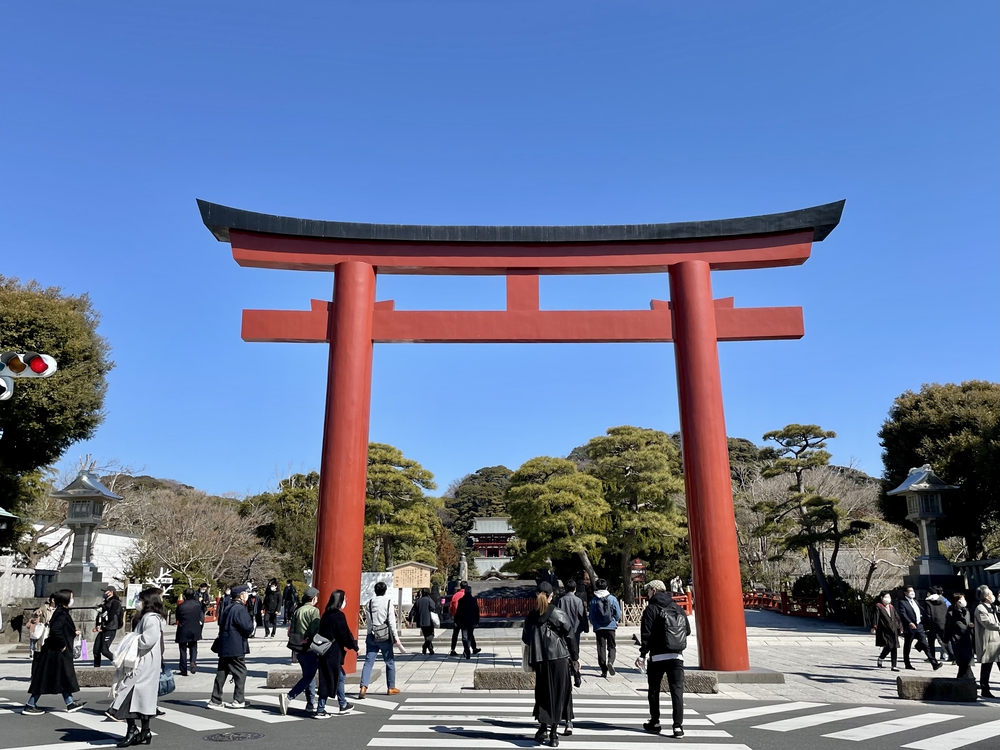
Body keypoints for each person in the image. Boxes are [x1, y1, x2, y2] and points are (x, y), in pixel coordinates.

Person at [107, 588, 166, 747]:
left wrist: (131, 638)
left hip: (143, 662)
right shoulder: (152, 617)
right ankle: (144, 731)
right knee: (143, 698)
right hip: (147, 662)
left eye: (141, 599)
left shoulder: (150, 618)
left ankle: (132, 730)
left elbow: (147, 640)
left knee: (128, 693)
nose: (138, 602)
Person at [522, 581, 577, 747]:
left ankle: (542, 728)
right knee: (559, 694)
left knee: (543, 694)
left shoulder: (531, 617)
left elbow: (526, 638)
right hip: (559, 658)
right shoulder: (557, 613)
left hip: (540, 660)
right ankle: (554, 733)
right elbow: (570, 635)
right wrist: (575, 658)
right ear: (551, 596)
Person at [637, 580, 689, 738]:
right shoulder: (677, 607)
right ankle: (678, 727)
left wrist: (642, 654)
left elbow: (646, 634)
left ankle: (655, 722)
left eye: (648, 591)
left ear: (654, 590)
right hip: (676, 656)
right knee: (677, 691)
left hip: (657, 656)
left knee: (654, 690)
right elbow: (687, 630)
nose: (647, 594)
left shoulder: (651, 609)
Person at [23, 589, 86, 715]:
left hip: (56, 651)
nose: (72, 599)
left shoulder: (61, 611)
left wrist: (72, 633)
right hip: (57, 652)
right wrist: (62, 645)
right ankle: (30, 705)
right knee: (46, 677)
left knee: (62, 677)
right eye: (71, 597)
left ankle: (70, 703)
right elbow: (56, 630)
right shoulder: (61, 613)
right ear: (65, 599)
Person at [208, 584, 254, 710]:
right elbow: (248, 627)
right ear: (241, 595)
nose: (247, 595)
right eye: (245, 593)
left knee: (222, 672)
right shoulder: (239, 609)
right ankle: (238, 699)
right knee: (241, 672)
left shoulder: (227, 607)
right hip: (235, 644)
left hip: (224, 644)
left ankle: (215, 699)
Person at [314, 590, 359, 718]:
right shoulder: (338, 616)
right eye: (344, 599)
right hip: (333, 652)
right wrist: (355, 647)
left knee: (339, 676)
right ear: (340, 601)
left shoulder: (326, 614)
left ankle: (342, 704)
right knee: (330, 678)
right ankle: (321, 709)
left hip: (324, 651)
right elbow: (345, 634)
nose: (345, 601)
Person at [281, 586, 321, 715]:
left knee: (308, 675)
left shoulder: (298, 610)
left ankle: (310, 702)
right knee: (309, 676)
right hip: (309, 647)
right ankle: (289, 697)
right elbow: (315, 630)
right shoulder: (314, 611)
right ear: (313, 598)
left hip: (297, 646)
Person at [358, 581, 399, 698]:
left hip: (372, 635)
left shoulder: (369, 603)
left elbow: (369, 622)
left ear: (375, 591)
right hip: (384, 635)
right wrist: (396, 637)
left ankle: (363, 687)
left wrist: (369, 633)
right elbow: (391, 621)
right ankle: (391, 687)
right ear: (385, 591)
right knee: (389, 662)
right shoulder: (388, 602)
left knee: (368, 662)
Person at [555, 580, 588, 688]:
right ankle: (575, 669)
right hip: (575, 629)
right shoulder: (578, 601)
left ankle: (568, 667)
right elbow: (582, 615)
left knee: (564, 649)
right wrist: (585, 627)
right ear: (575, 589)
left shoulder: (561, 600)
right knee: (574, 649)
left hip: (563, 629)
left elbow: (557, 614)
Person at [898, 586, 940, 670]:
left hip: (919, 626)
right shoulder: (902, 602)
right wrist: (909, 622)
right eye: (910, 591)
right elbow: (903, 614)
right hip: (910, 627)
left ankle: (934, 663)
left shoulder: (915, 601)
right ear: (905, 593)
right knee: (908, 645)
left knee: (925, 644)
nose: (912, 592)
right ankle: (907, 664)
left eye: (913, 591)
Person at [588, 578, 622, 678]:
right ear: (606, 587)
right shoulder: (612, 599)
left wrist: (594, 623)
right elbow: (618, 614)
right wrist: (615, 620)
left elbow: (591, 615)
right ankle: (610, 661)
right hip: (611, 626)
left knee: (601, 648)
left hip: (599, 627)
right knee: (612, 646)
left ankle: (603, 670)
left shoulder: (594, 600)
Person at [973, 584, 1000, 698]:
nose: (992, 595)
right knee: (986, 667)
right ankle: (985, 689)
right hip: (988, 642)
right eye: (990, 594)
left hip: (997, 641)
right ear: (986, 596)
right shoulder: (980, 608)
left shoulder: (992, 607)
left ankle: (985, 688)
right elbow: (988, 624)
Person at [945, 592, 975, 680]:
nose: (963, 601)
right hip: (957, 639)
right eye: (961, 599)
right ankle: (968, 680)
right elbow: (948, 627)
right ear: (956, 601)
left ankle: (965, 680)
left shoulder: (966, 611)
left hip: (967, 638)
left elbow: (968, 621)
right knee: (963, 662)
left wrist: (970, 625)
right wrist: (945, 639)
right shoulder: (951, 613)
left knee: (967, 662)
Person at [175, 588, 204, 676]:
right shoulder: (198, 605)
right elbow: (201, 616)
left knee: (182, 650)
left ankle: (183, 669)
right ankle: (192, 661)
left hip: (183, 629)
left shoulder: (181, 606)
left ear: (185, 596)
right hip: (194, 628)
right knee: (193, 647)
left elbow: (177, 617)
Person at [871, 590, 902, 672]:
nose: (888, 598)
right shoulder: (878, 606)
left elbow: (897, 617)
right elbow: (876, 617)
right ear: (882, 598)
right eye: (886, 597)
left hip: (893, 629)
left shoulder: (891, 607)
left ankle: (894, 665)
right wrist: (874, 627)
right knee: (889, 646)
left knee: (894, 647)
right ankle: (881, 657)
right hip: (884, 629)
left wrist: (900, 627)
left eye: (889, 597)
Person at [93, 586, 124, 668]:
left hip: (110, 628)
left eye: (106, 591)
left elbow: (110, 616)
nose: (104, 593)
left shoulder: (115, 602)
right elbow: (100, 615)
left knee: (104, 650)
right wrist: (98, 625)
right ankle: (96, 667)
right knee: (96, 650)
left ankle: (119, 662)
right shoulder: (106, 602)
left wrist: (103, 626)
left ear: (111, 592)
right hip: (103, 628)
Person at [924, 586, 951, 663]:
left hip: (932, 624)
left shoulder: (928, 602)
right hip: (942, 623)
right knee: (945, 640)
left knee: (931, 642)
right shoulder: (942, 601)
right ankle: (952, 656)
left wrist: (926, 624)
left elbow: (928, 614)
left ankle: (932, 657)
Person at [455, 584, 481, 659]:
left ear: (465, 592)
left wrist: (456, 620)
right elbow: (477, 612)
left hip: (463, 621)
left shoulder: (461, 600)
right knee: (469, 637)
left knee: (464, 637)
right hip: (472, 621)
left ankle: (467, 650)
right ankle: (467, 650)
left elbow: (458, 612)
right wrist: (477, 621)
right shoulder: (474, 600)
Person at [407, 588, 437, 655]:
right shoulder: (429, 600)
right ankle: (425, 646)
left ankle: (430, 650)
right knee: (431, 635)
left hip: (421, 620)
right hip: (429, 620)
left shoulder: (418, 601)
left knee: (426, 635)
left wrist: (410, 618)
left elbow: (413, 610)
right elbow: (433, 608)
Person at [27, 595, 56, 660]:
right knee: (42, 643)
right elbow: (34, 613)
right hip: (43, 628)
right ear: (52, 600)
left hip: (52, 628)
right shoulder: (44, 607)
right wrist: (37, 614)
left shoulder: (56, 609)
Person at [448, 581, 467, 656]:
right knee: (465, 634)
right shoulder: (466, 595)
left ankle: (453, 650)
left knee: (455, 634)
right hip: (465, 617)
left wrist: (452, 614)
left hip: (456, 617)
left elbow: (451, 606)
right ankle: (466, 650)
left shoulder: (455, 595)